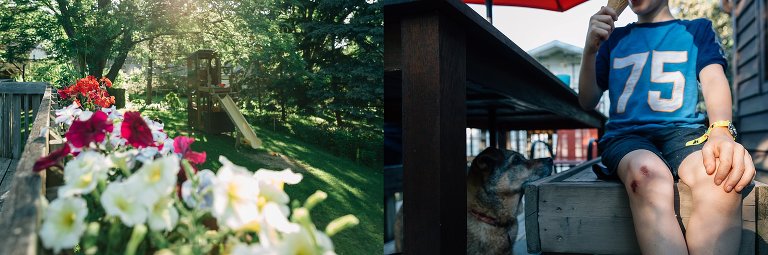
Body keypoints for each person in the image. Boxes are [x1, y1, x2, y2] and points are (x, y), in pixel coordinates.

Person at [578, 0, 755, 254]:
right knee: (647, 174)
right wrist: (590, 49)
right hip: (627, 137)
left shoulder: (697, 29)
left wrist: (720, 130)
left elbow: (714, 78)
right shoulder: (613, 38)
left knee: (720, 180)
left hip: (684, 133)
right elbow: (587, 99)